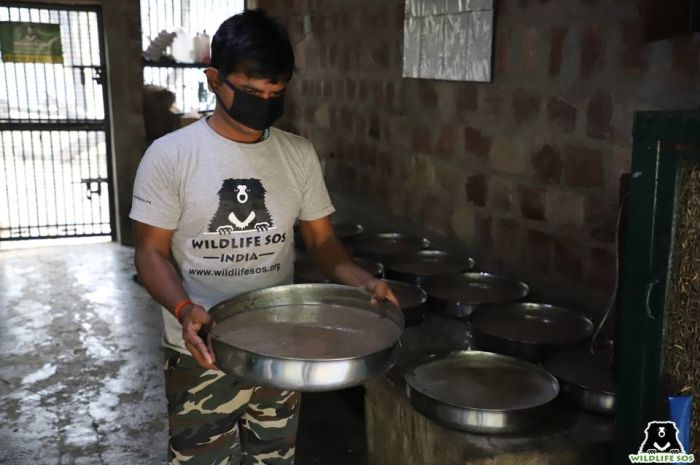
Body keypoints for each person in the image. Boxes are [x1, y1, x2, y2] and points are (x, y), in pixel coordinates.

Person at [129, 9, 397, 465]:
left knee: (273, 458)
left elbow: (323, 242)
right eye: (251, 92)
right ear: (214, 79)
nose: (264, 103)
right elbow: (150, 254)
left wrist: (360, 280)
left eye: (276, 93)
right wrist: (185, 309)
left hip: (279, 346)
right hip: (203, 350)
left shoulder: (298, 154)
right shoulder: (171, 157)